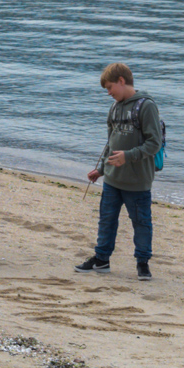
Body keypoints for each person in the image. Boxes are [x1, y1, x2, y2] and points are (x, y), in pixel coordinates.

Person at [75, 63, 162, 280]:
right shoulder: (114, 107)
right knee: (106, 220)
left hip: (138, 181)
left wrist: (128, 156)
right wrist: (101, 169)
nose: (109, 93)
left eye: (110, 87)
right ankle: (102, 259)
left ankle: (143, 264)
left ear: (122, 81)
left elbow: (155, 143)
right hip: (113, 181)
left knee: (141, 223)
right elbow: (110, 143)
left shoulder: (146, 106)